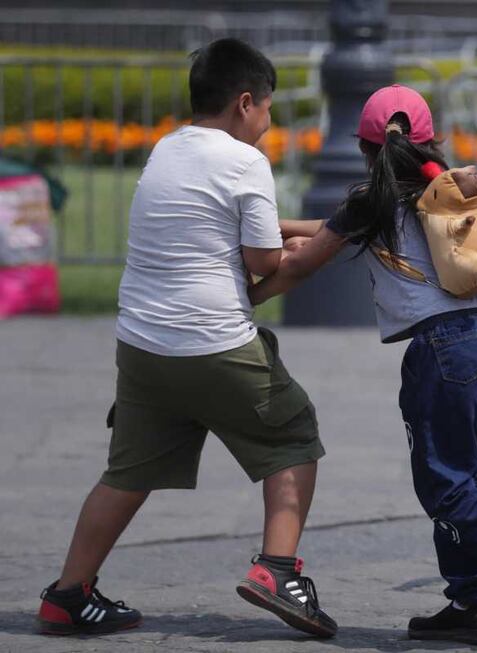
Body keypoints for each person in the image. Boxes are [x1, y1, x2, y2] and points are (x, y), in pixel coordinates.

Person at [248, 84, 477, 645]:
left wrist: (246, 295)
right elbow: (334, 233)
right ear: (429, 139)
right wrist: (290, 227)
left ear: (364, 147)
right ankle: (469, 603)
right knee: (473, 481)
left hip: (444, 348)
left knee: (447, 488)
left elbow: (310, 260)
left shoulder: (370, 200)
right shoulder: (445, 190)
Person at [35, 38, 336, 638]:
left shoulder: (167, 149)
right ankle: (278, 571)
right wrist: (327, 243)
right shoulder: (246, 161)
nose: (269, 123)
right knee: (293, 437)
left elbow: (221, 220)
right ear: (244, 102)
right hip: (215, 344)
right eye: (268, 109)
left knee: (128, 472)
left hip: (143, 345)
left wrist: (311, 230)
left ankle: (67, 595)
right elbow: (264, 257)